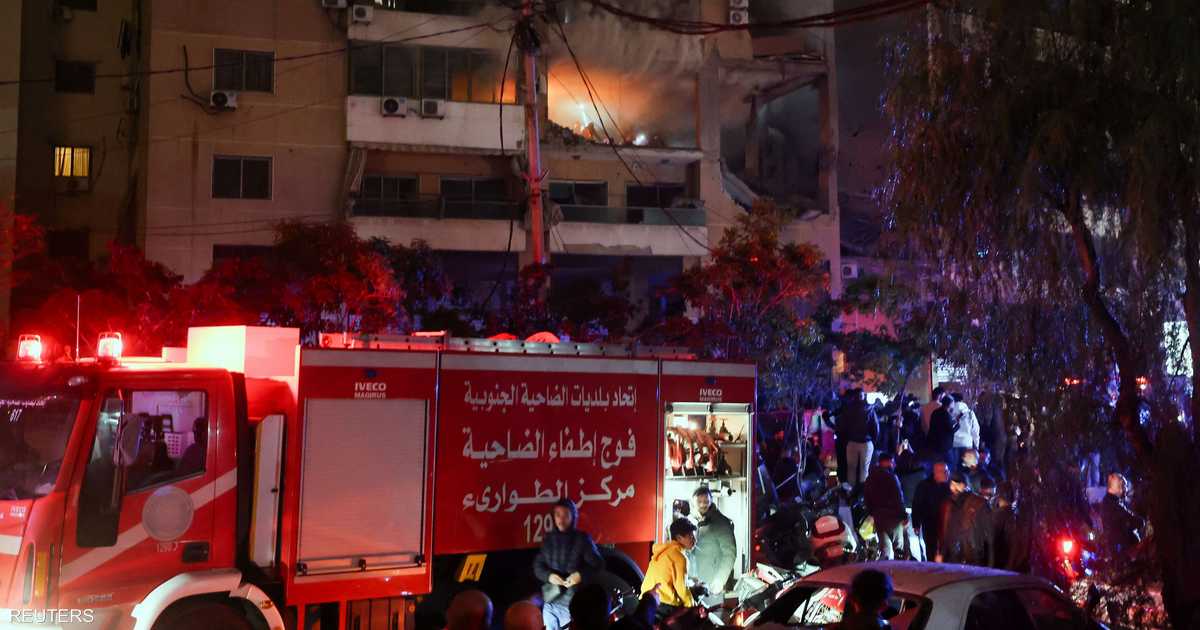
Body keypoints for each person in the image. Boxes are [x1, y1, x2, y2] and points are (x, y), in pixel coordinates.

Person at [533, 499, 605, 630]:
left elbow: (598, 565)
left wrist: (580, 575)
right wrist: (549, 576)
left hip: (571, 606)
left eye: (566, 515)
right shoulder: (549, 539)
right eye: (558, 515)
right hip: (550, 603)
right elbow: (538, 566)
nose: (561, 519)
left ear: (573, 516)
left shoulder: (582, 539)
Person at [641, 518, 697, 620]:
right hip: (662, 604)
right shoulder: (680, 557)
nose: (694, 540)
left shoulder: (664, 551)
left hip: (645, 599)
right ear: (679, 538)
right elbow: (682, 589)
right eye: (691, 536)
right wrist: (692, 605)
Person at [937, 470, 993, 566]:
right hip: (951, 558)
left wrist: (989, 563)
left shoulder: (979, 503)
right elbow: (945, 530)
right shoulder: (948, 504)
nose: (954, 487)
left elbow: (989, 536)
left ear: (966, 485)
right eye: (952, 484)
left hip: (971, 559)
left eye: (958, 484)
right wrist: (941, 553)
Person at [690, 487, 736, 599]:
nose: (702, 505)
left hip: (713, 586)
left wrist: (719, 582)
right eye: (699, 502)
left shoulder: (721, 522)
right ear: (693, 502)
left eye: (706, 501)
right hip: (698, 584)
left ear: (711, 501)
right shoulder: (693, 520)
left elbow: (730, 554)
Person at [863, 452, 907, 560]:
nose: (894, 464)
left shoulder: (870, 478)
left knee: (885, 550)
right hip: (894, 518)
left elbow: (867, 499)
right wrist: (904, 516)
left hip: (879, 518)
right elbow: (898, 497)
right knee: (899, 549)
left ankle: (885, 568)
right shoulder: (891, 477)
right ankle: (899, 568)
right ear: (887, 462)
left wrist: (872, 514)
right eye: (892, 462)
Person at [911, 462, 951, 562]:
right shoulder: (924, 486)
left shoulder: (949, 485)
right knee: (931, 549)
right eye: (944, 471)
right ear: (936, 473)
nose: (947, 474)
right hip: (929, 524)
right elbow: (917, 504)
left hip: (946, 524)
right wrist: (916, 524)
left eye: (947, 471)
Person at [1099, 473, 1144, 558]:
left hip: (1120, 549)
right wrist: (1142, 522)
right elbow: (1131, 521)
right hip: (1123, 552)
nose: (1126, 489)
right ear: (1118, 487)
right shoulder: (1113, 505)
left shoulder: (1111, 502)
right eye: (1124, 486)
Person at [839, 389, 877, 487]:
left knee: (851, 469)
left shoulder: (847, 409)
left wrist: (845, 440)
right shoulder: (870, 409)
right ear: (863, 396)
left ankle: (851, 491)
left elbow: (842, 427)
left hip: (852, 442)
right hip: (866, 442)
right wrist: (873, 440)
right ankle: (863, 492)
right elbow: (875, 427)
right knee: (864, 470)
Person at [923, 396, 956, 468]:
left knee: (935, 464)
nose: (954, 404)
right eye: (953, 403)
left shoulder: (935, 412)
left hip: (933, 443)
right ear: (950, 404)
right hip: (944, 445)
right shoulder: (946, 414)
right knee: (950, 463)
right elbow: (950, 430)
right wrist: (958, 425)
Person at [949, 393, 980, 467]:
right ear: (962, 400)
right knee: (969, 468)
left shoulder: (948, 413)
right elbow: (975, 430)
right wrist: (976, 445)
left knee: (954, 470)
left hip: (952, 445)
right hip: (967, 444)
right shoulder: (970, 413)